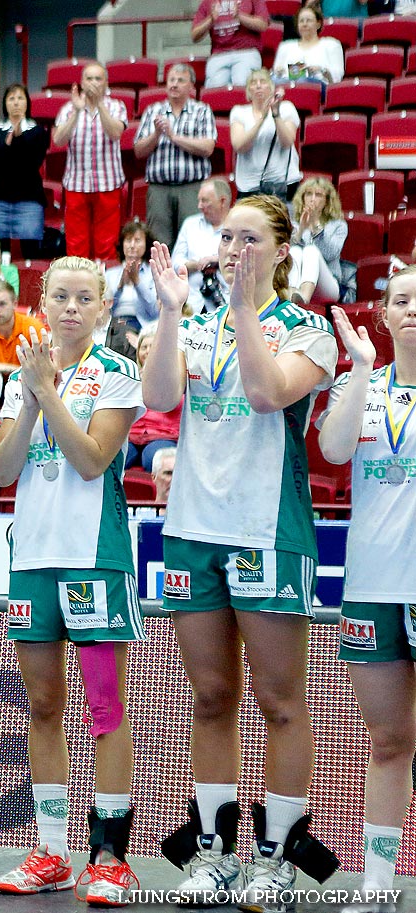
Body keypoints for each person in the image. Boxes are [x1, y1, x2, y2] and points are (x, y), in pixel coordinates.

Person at [143, 195, 341, 906]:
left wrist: (246, 308)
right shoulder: (194, 325)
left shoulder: (308, 330)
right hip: (193, 527)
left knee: (280, 701)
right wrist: (169, 314)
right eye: (227, 236)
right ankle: (212, 851)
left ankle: (276, 856)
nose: (235, 248)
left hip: (269, 532)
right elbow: (159, 394)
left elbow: (264, 394)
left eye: (251, 238)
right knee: (211, 696)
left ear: (283, 252)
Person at [0, 256, 145, 906]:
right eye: (61, 296)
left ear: (103, 307)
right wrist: (27, 399)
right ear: (42, 302)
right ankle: (51, 850)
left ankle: (110, 856)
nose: (72, 306)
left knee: (105, 710)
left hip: (94, 560)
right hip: (33, 562)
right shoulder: (21, 369)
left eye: (85, 297)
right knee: (43, 707)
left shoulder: (117, 373)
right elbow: (1, 470)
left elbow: (91, 459)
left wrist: (48, 391)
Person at [317, 282, 416, 901]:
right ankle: (378, 876)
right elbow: (330, 450)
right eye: (403, 300)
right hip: (375, 587)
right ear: (383, 314)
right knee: (388, 740)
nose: (414, 311)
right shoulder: (365, 386)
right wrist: (357, 369)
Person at [132, 63, 216, 250]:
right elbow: (139, 151)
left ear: (191, 86)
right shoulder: (153, 111)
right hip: (159, 189)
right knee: (159, 246)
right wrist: (156, 135)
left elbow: (208, 147)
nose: (174, 84)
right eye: (171, 80)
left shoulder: (202, 110)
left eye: (180, 80)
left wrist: (173, 137)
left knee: (192, 244)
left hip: (192, 188)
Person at [54, 62, 128, 261]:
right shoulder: (69, 108)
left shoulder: (116, 106)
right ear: (81, 82)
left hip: (108, 184)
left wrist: (100, 104)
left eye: (98, 78)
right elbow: (58, 140)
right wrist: (78, 111)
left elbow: (115, 133)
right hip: (76, 185)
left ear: (106, 83)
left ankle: (103, 290)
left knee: (107, 245)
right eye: (89, 78)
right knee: (76, 246)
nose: (93, 83)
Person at [0, 84, 49, 260]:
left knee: (31, 253)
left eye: (20, 98)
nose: (16, 103)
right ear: (5, 104)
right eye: (11, 98)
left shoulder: (38, 132)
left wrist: (19, 139)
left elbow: (31, 163)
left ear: (27, 103)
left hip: (29, 199)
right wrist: (7, 145)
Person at [230, 70, 301, 201]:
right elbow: (239, 146)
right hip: (249, 187)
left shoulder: (286, 108)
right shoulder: (239, 112)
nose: (258, 86)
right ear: (248, 90)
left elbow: (287, 142)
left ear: (271, 87)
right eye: (253, 82)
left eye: (263, 82)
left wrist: (276, 115)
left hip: (283, 184)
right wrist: (262, 118)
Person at [173, 177, 232, 314]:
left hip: (228, 302)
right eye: (199, 200)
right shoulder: (190, 224)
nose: (199, 206)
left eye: (205, 201)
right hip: (193, 305)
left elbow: (244, 257)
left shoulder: (238, 225)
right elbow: (175, 262)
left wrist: (216, 261)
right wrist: (197, 265)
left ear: (222, 201)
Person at [287, 177, 346, 308]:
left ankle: (304, 300)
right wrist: (301, 230)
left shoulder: (338, 225)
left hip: (328, 286)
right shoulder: (294, 224)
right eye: (308, 194)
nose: (312, 199)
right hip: (297, 283)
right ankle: (293, 294)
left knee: (310, 250)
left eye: (318, 195)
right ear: (302, 198)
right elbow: (285, 255)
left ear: (327, 201)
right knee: (295, 250)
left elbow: (330, 254)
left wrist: (315, 225)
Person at [125, 330, 179, 470]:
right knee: (113, 459)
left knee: (154, 460)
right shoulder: (129, 374)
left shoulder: (174, 374)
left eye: (152, 346)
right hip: (131, 435)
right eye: (144, 347)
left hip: (161, 435)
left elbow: (174, 405)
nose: (148, 351)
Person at [194, 0, 270, 89]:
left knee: (242, 84)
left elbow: (263, 25)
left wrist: (239, 16)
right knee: (215, 90)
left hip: (246, 51)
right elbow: (194, 36)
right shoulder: (207, 2)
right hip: (218, 55)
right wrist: (210, 19)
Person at [105, 220, 159, 332]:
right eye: (128, 240)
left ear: (146, 244)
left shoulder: (154, 274)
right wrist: (120, 286)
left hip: (144, 326)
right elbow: (104, 309)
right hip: (114, 325)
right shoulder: (110, 274)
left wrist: (137, 282)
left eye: (137, 240)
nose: (132, 245)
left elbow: (154, 311)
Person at [272, 4, 344, 88]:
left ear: (318, 24)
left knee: (303, 81)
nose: (304, 24)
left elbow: (338, 76)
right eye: (301, 21)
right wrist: (279, 72)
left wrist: (322, 70)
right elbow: (276, 74)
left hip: (319, 87)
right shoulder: (285, 46)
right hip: (288, 87)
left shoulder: (331, 44)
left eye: (309, 20)